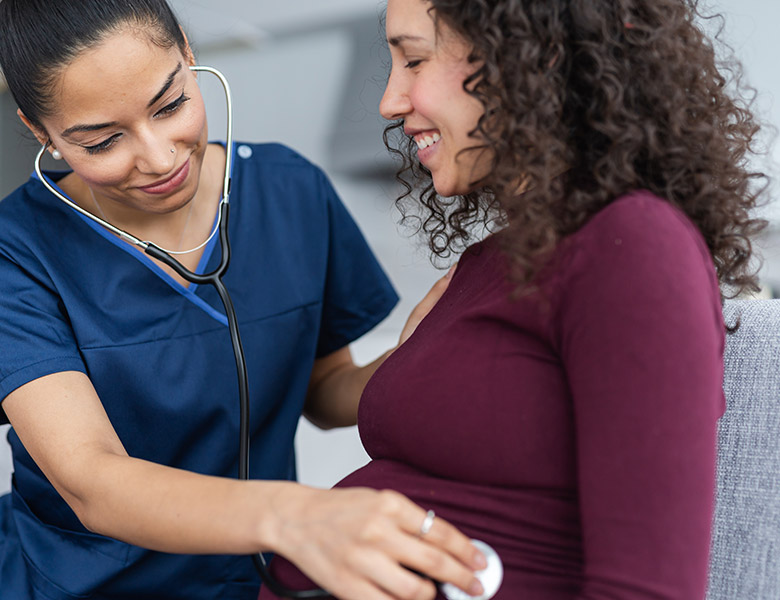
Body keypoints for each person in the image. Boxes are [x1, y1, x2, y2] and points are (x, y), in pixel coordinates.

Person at [0, 1, 490, 599]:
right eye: (101, 141)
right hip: (67, 585)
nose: (160, 157)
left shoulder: (292, 192)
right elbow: (91, 481)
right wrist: (298, 516)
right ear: (41, 132)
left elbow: (326, 394)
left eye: (171, 105)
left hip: (246, 584)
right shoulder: (9, 252)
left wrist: (426, 352)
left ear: (188, 56)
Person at [260, 0, 768, 598]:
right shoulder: (491, 262)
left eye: (415, 60)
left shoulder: (633, 246)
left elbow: (645, 589)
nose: (390, 101)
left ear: (531, 55)